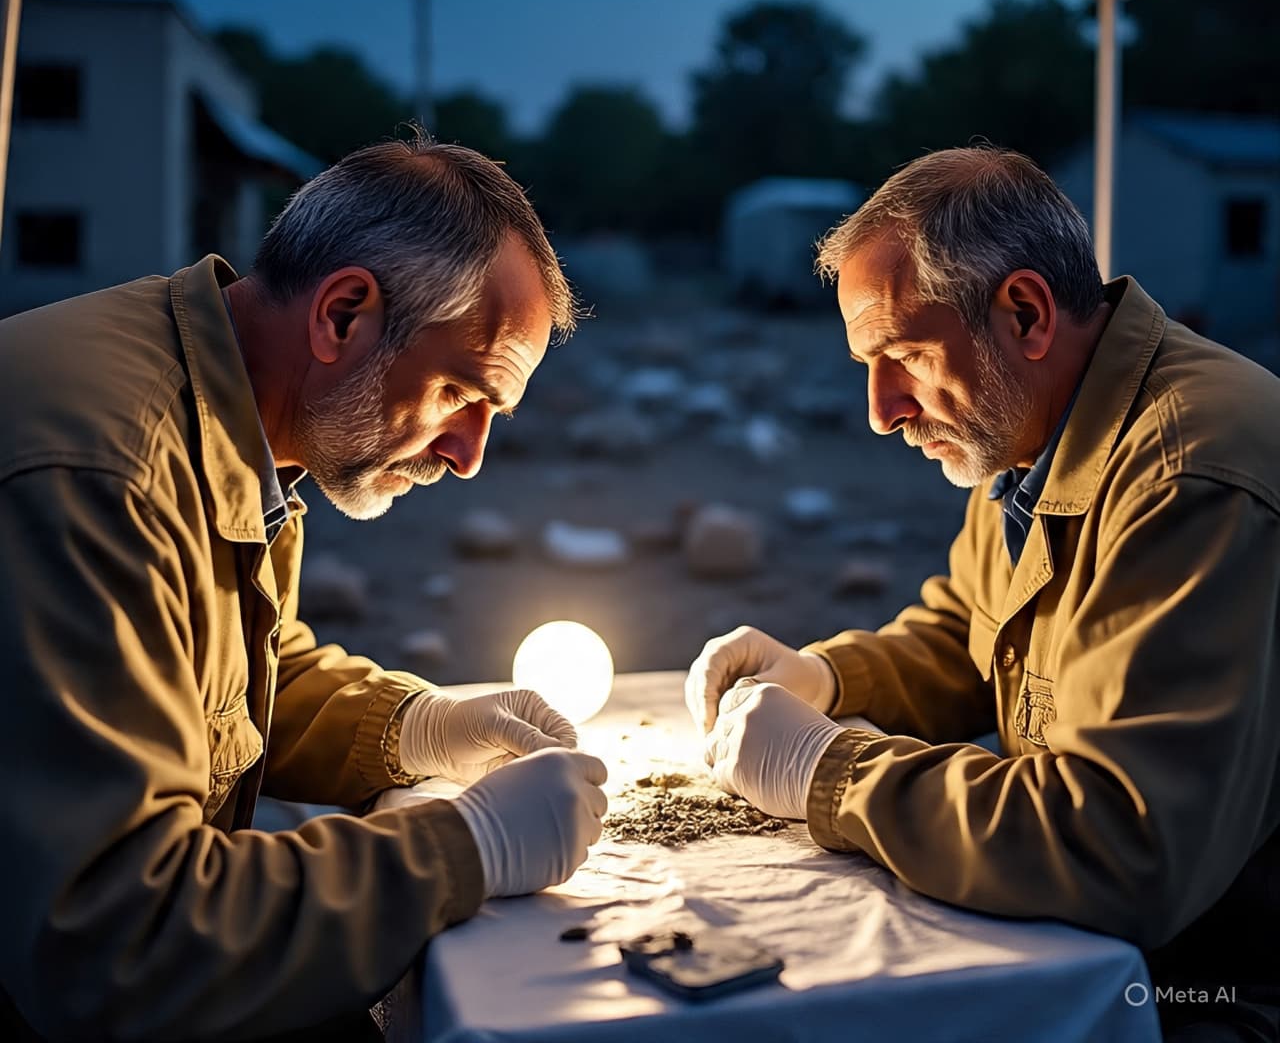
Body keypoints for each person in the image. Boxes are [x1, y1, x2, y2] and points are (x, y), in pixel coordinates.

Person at [0, 138, 609, 1042]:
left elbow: (208, 676)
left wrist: (411, 725)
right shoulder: (104, 477)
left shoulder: (233, 410)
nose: (467, 457)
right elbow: (115, 939)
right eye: (458, 392)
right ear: (343, 315)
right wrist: (466, 847)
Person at [688, 147, 1279, 1040]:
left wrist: (828, 770)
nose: (882, 410)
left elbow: (1122, 851)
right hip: (1109, 951)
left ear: (1026, 314)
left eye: (905, 354)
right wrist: (828, 676)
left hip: (1214, 990)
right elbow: (972, 631)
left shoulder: (1187, 476)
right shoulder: (1032, 429)